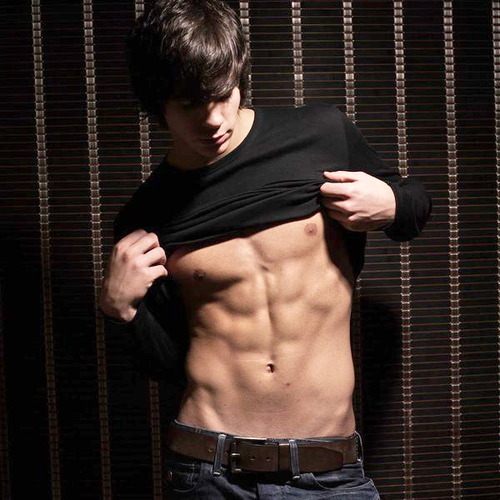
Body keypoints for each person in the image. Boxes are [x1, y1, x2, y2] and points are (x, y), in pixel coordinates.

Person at [99, 0, 432, 498]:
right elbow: (167, 362)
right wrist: (120, 310)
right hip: (209, 470)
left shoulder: (320, 135)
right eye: (190, 105)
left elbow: (415, 206)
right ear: (157, 103)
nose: (214, 119)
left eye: (223, 94)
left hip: (330, 471)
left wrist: (392, 202)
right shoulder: (148, 213)